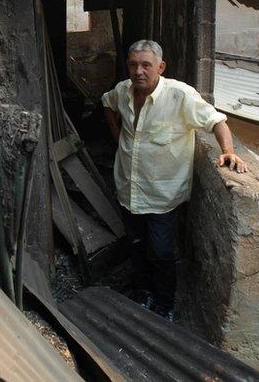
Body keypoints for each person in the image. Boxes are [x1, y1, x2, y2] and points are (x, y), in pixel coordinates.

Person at [101, 39, 248, 322]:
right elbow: (106, 103)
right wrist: (117, 136)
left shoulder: (181, 96)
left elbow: (217, 122)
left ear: (161, 67)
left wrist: (229, 152)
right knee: (136, 245)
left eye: (146, 65)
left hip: (162, 196)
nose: (139, 71)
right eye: (133, 65)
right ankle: (142, 293)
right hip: (128, 187)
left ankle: (164, 304)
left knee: (161, 252)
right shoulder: (122, 91)